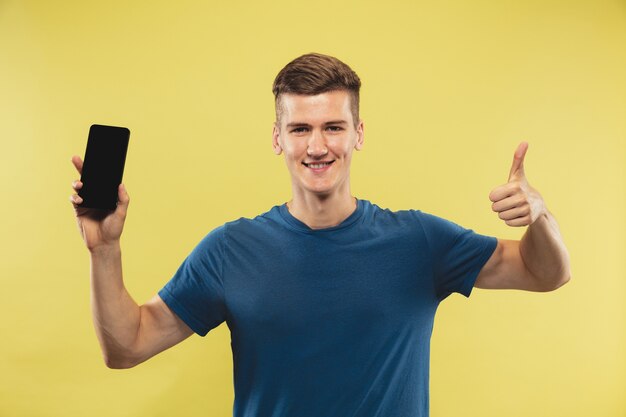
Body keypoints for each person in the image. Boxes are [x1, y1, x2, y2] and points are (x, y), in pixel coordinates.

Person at [69, 53, 570, 417]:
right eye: (300, 129)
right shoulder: (230, 250)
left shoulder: (420, 241)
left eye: (333, 126)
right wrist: (105, 251)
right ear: (277, 138)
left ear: (358, 134)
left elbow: (545, 272)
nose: (317, 146)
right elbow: (126, 346)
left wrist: (541, 216)